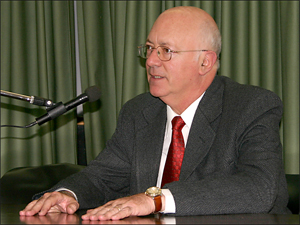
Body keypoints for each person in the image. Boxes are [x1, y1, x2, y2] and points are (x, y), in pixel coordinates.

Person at [19, 6, 290, 221]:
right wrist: (67, 193)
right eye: (149, 49)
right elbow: (102, 177)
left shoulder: (251, 106)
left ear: (205, 62)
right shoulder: (139, 111)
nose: (150, 61)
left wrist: (154, 199)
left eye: (166, 51)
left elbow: (259, 188)